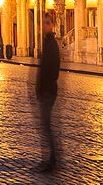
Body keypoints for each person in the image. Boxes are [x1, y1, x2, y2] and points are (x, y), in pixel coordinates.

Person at [35, 12, 63, 173]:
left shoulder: (52, 44)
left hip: (49, 91)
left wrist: (44, 87)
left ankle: (52, 159)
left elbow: (53, 70)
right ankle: (50, 158)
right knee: (45, 125)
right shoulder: (47, 42)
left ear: (52, 25)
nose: (44, 26)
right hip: (46, 90)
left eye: (47, 23)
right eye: (43, 23)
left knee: (46, 126)